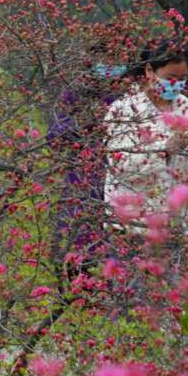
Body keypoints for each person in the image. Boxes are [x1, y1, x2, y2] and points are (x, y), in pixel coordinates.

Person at [103, 45, 188, 236]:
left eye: (182, 79)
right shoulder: (124, 110)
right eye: (170, 78)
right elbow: (120, 166)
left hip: (179, 226)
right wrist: (163, 150)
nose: (176, 84)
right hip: (134, 226)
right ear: (149, 71)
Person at [49, 48, 127, 271]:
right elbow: (55, 131)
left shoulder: (131, 93)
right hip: (82, 180)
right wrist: (85, 126)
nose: (111, 64)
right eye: (106, 58)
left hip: (122, 181)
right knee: (78, 252)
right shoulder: (78, 90)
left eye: (117, 57)